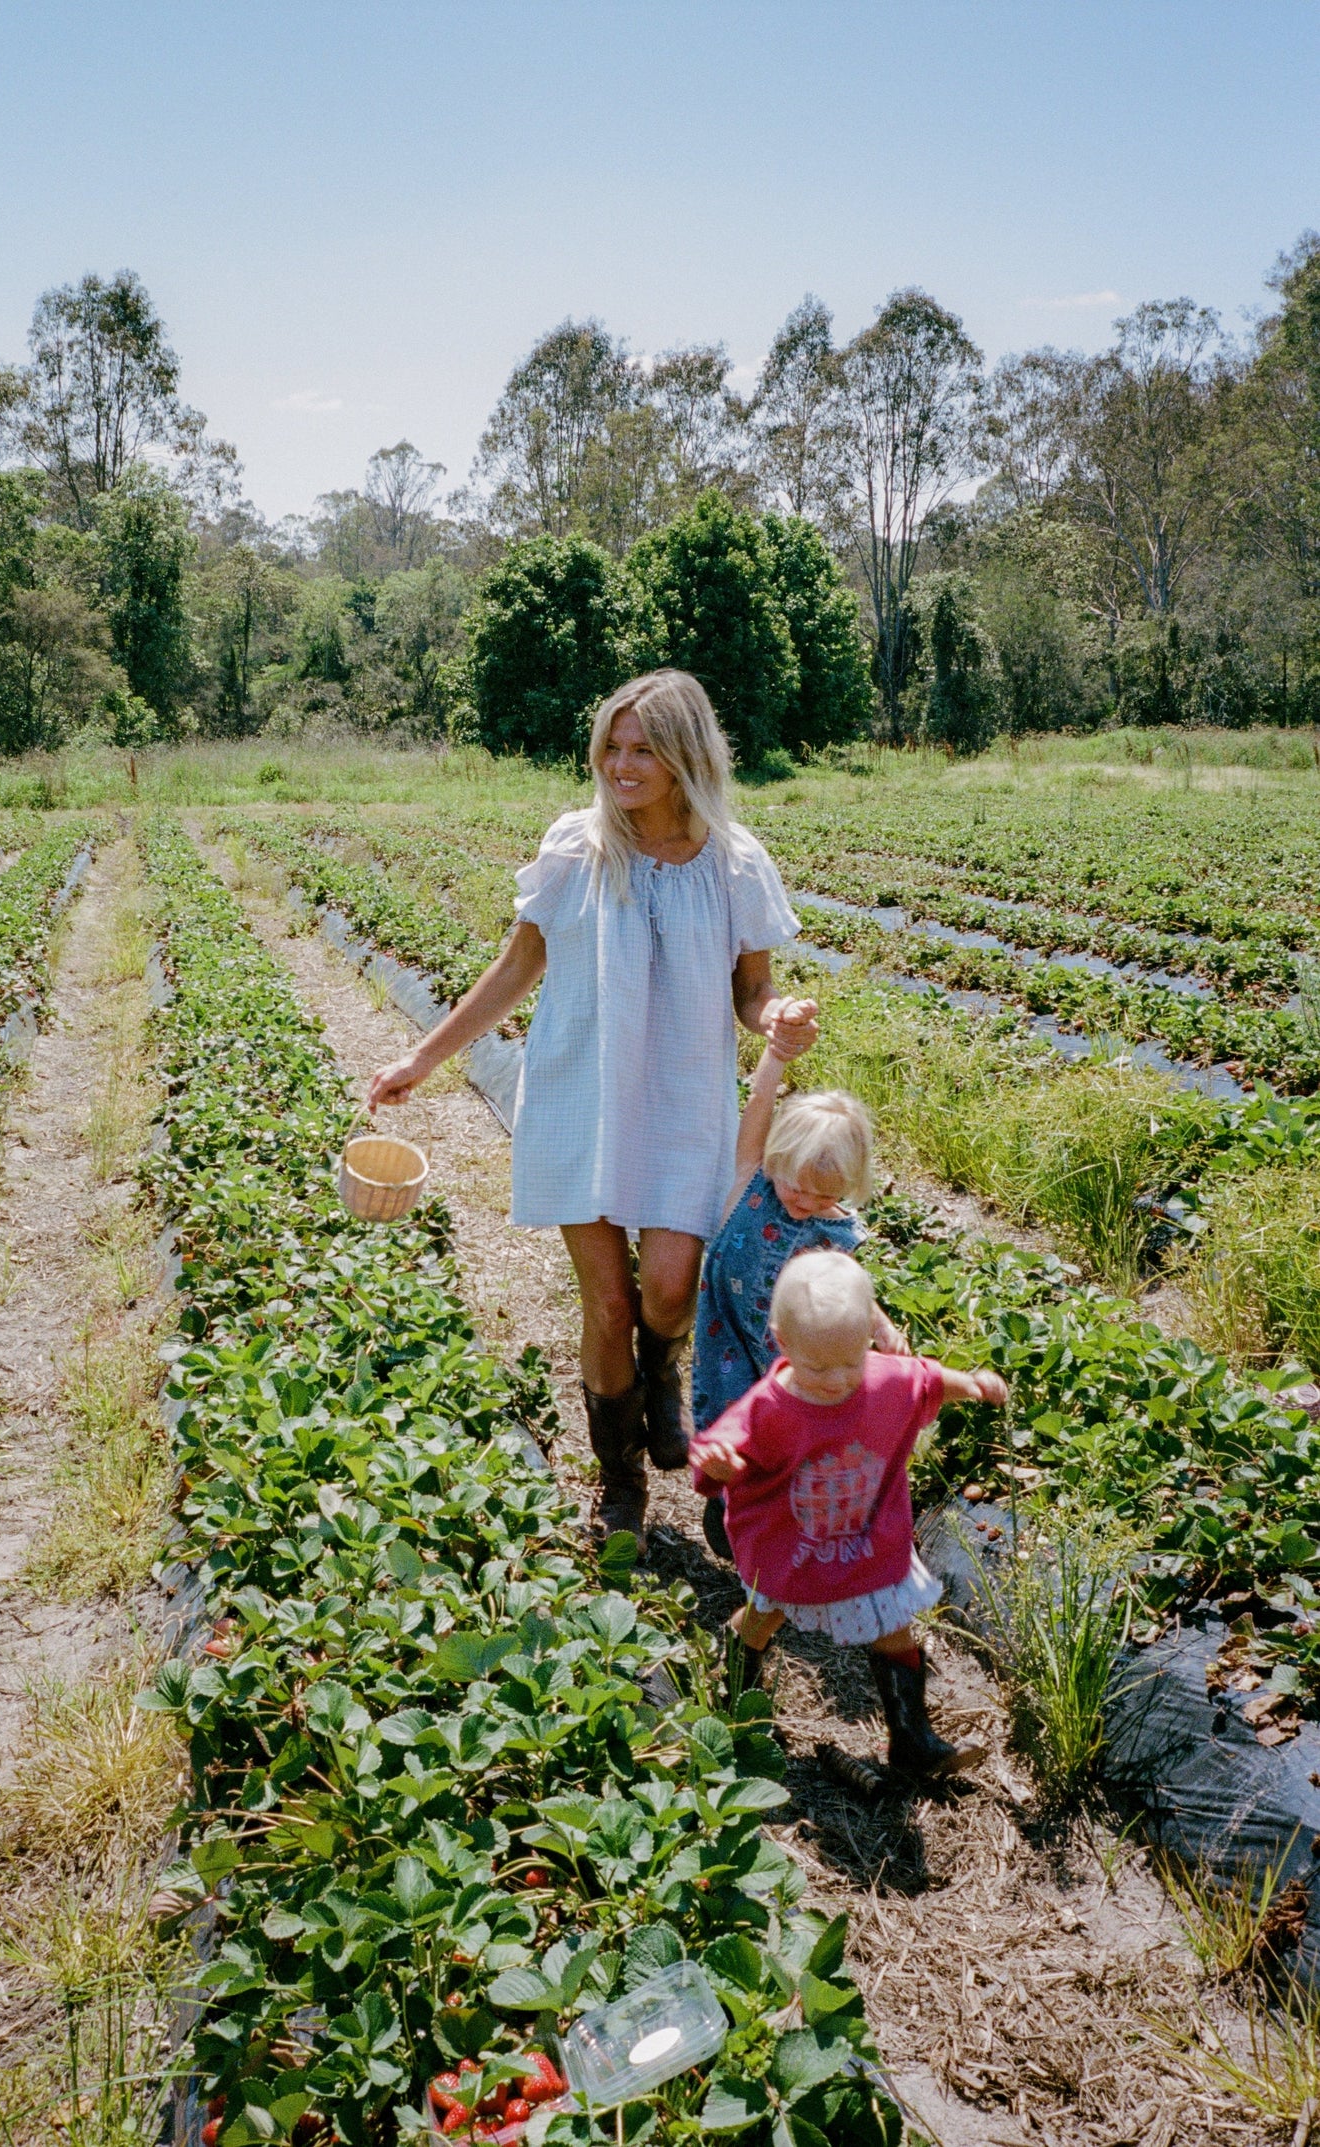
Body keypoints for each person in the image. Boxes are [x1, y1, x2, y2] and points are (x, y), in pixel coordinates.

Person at [366, 669, 815, 1554]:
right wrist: (422, 1057)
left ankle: (662, 1372)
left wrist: (777, 1017)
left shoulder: (733, 862)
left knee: (670, 1289)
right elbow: (515, 966)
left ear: (685, 755)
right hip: (582, 1094)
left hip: (683, 1099)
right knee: (608, 1302)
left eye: (643, 748)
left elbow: (751, 989)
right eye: (611, 745)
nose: (621, 763)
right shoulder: (577, 847)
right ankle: (621, 1483)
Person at [689, 1247, 1008, 1780]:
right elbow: (715, 1456)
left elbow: (926, 1379)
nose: (837, 1379)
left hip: (866, 1540)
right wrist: (720, 1466)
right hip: (791, 1544)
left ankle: (912, 1741)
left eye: (851, 1362)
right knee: (766, 1615)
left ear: (868, 1339)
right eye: (818, 1367)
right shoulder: (767, 1409)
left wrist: (972, 1384)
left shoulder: (883, 1380)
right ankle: (736, 1694)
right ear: (782, 1342)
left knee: (892, 1624)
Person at [692, 1051, 908, 1563]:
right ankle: (727, 1507)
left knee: (787, 1434)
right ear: (776, 1158)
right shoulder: (751, 1178)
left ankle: (789, 1523)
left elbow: (846, 1289)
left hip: (788, 1356)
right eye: (795, 1186)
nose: (803, 1202)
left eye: (821, 1196)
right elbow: (760, 1101)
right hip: (726, 1336)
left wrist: (881, 1326)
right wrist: (775, 1055)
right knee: (725, 1420)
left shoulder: (832, 1234)